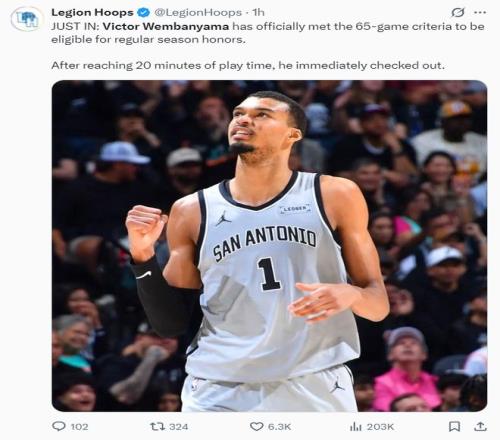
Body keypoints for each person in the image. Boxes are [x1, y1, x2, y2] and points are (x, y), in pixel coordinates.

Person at [126, 90, 389, 412]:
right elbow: (171, 324)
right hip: (217, 385)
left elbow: (377, 304)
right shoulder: (191, 209)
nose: (243, 120)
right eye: (238, 114)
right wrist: (143, 255)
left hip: (314, 379)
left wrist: (351, 294)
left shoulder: (334, 193)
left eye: (262, 114)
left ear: (292, 135)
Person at [373, 327, 441, 411]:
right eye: (400, 343)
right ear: (390, 355)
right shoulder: (379, 384)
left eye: (414, 343)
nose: (407, 345)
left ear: (424, 354)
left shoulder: (435, 382)